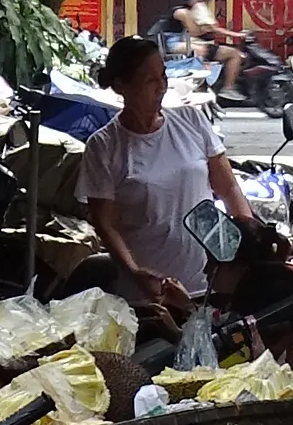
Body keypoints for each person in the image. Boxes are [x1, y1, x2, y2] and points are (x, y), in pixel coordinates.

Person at [80, 31, 259, 320]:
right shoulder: (104, 146)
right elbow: (105, 223)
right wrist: (136, 272)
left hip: (210, 284)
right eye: (150, 80)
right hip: (148, 296)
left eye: (163, 76)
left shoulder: (191, 120)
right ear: (121, 86)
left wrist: (251, 250)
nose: (161, 87)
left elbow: (229, 190)